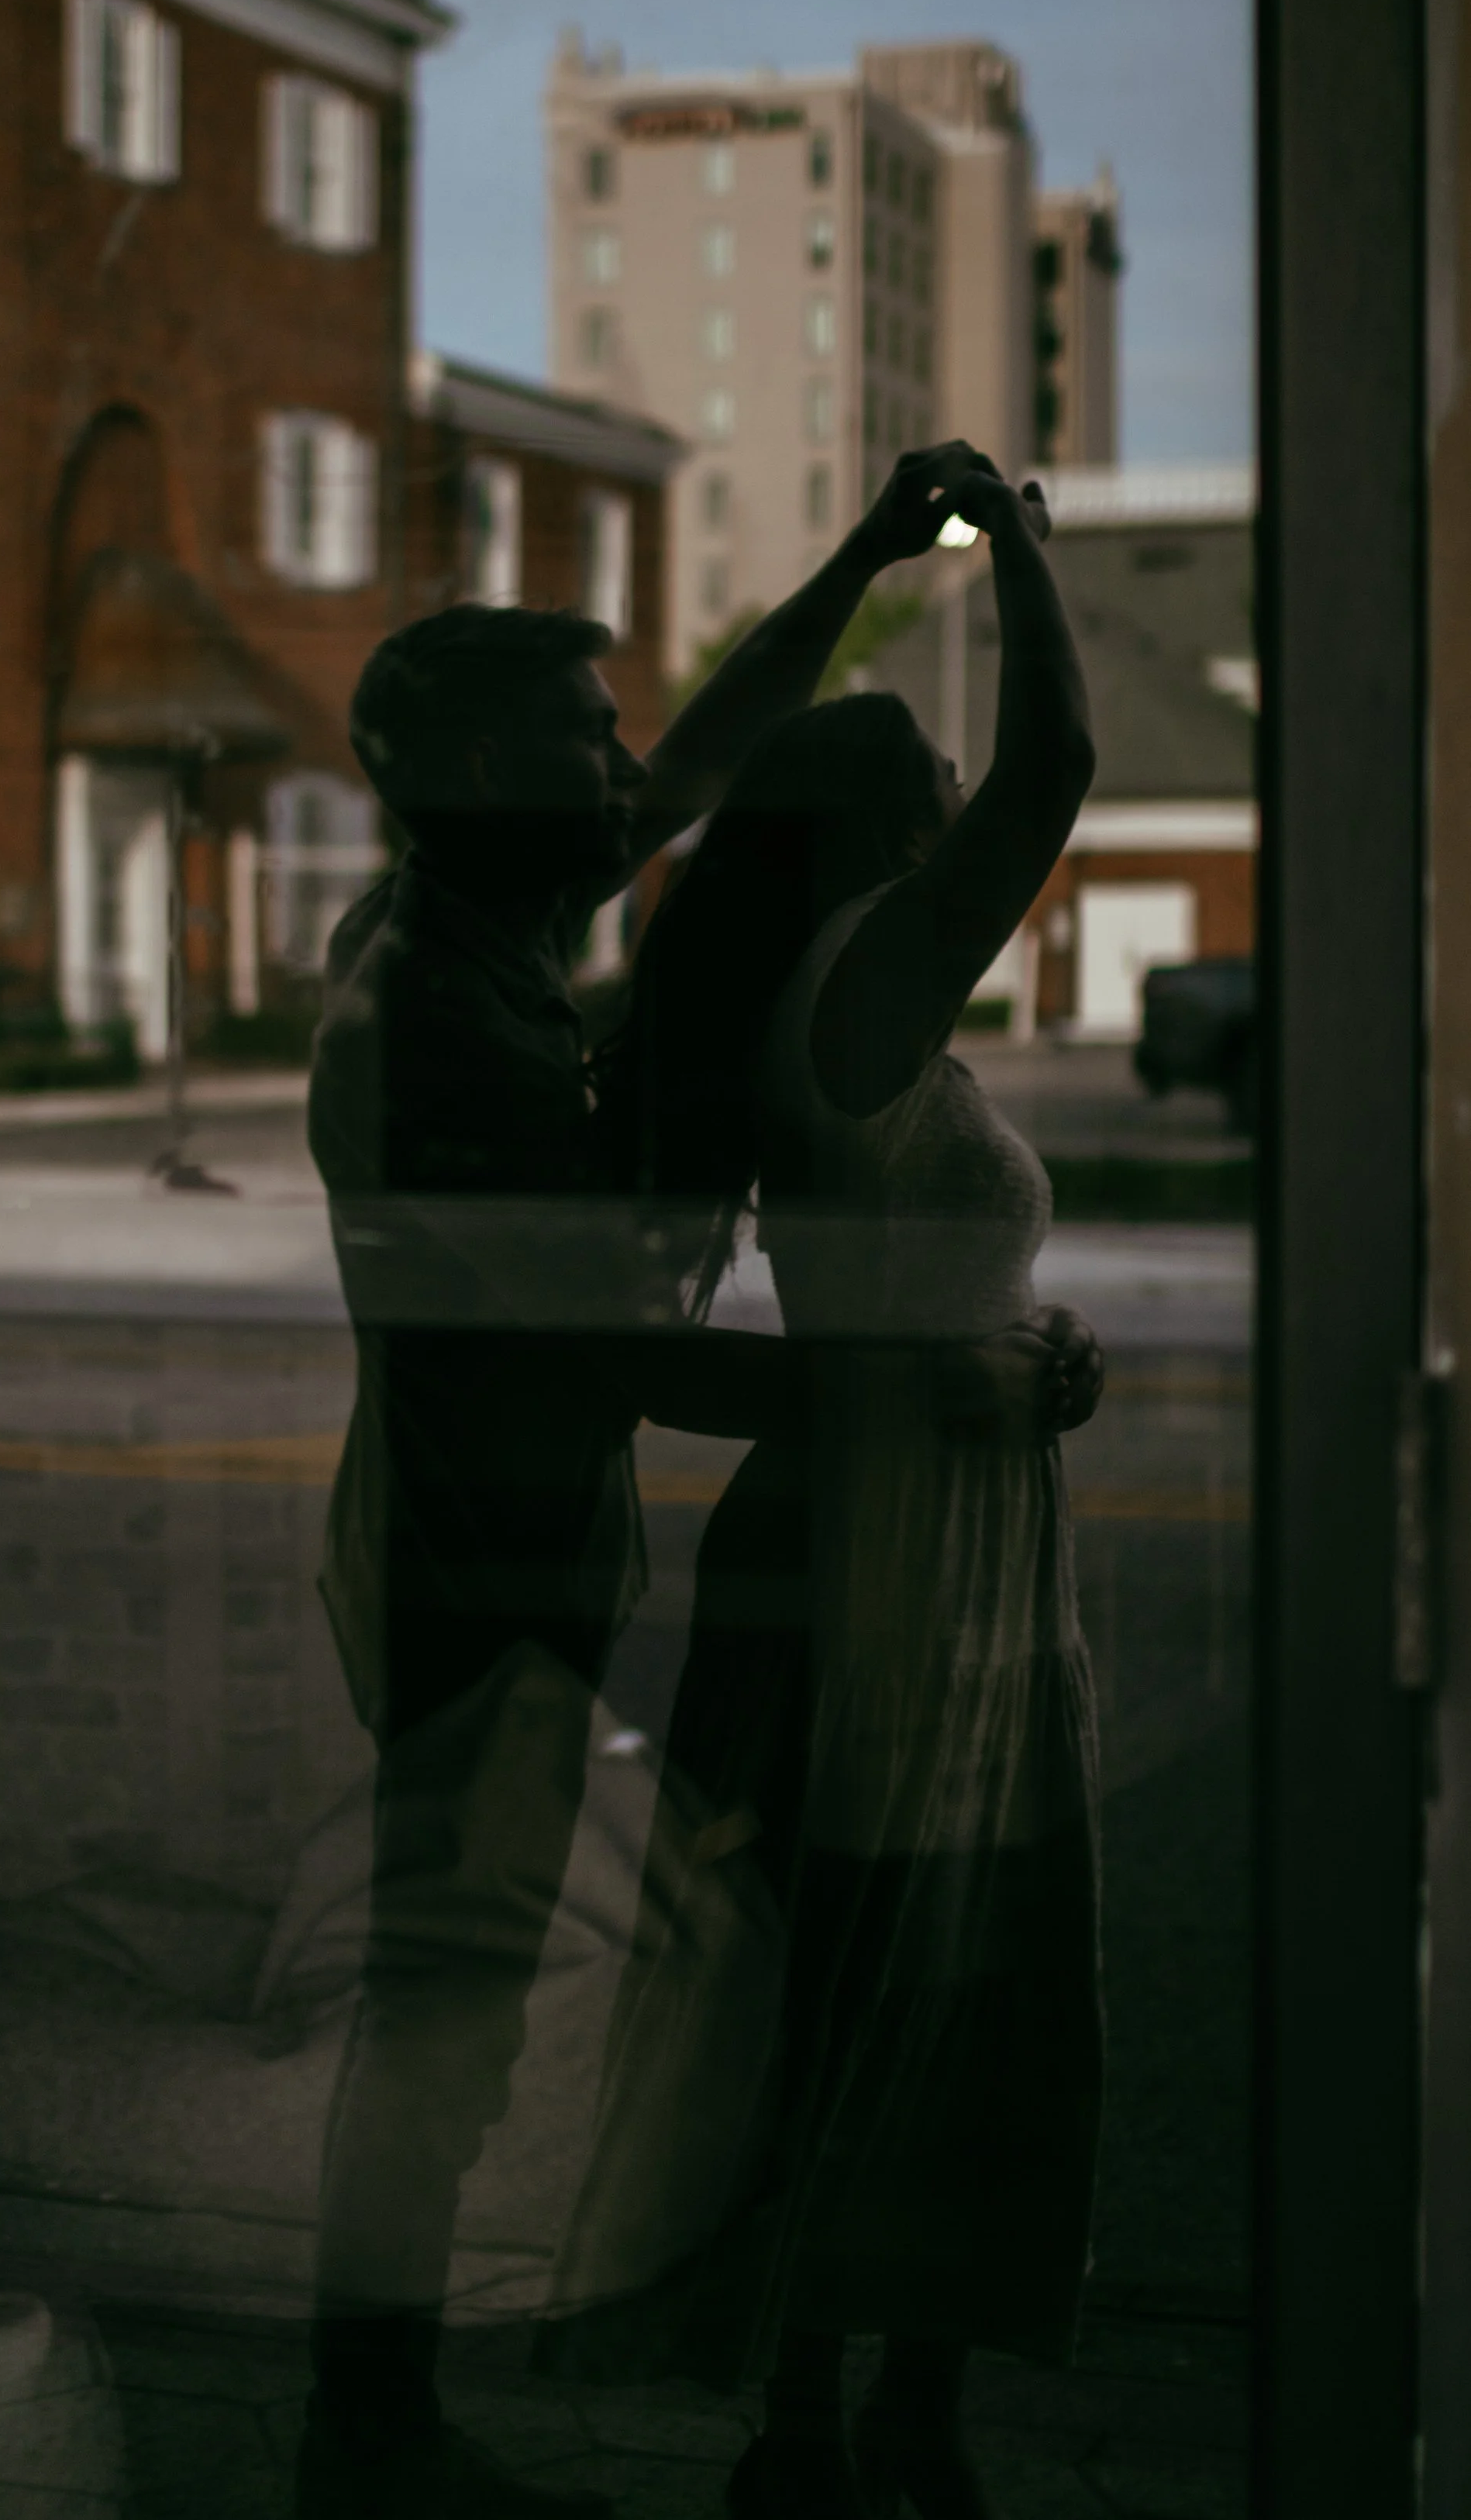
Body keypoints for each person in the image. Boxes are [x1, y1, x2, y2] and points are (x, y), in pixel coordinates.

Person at [299, 448, 1006, 2520]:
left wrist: (868, 564)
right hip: (475, 1569)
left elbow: (707, 748)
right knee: (441, 2013)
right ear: (477, 781)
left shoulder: (477, 926)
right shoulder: (435, 1017)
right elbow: (594, 1345)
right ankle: (363, 2426)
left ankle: (375, 2410)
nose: (624, 777)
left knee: (460, 2002)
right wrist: (905, 1385)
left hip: (512, 1545)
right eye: (577, 740)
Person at [539, 454, 1104, 2520]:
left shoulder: (845, 1007)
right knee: (920, 1974)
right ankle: (858, 2413)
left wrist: (1019, 1339)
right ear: (878, 834)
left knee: (865, 1965)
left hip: (924, 1528)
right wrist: (1019, 544)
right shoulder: (867, 969)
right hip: (906, 1573)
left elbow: (900, 1293)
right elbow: (1065, 759)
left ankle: (838, 2408)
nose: (965, 815)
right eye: (929, 787)